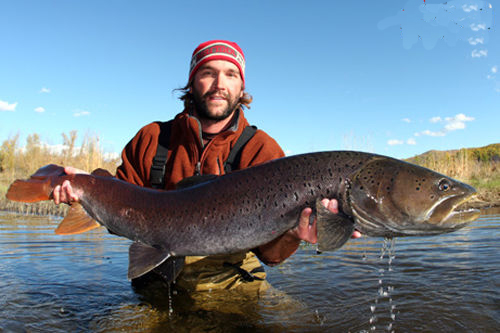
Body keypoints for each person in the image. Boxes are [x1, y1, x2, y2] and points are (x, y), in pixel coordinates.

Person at [53, 40, 361, 294]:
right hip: (155, 285)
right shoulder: (152, 138)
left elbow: (271, 256)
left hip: (233, 286)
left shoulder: (262, 150)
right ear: (191, 82)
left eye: (230, 74)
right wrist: (84, 189)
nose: (219, 84)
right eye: (208, 73)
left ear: (242, 88)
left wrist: (296, 234)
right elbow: (118, 204)